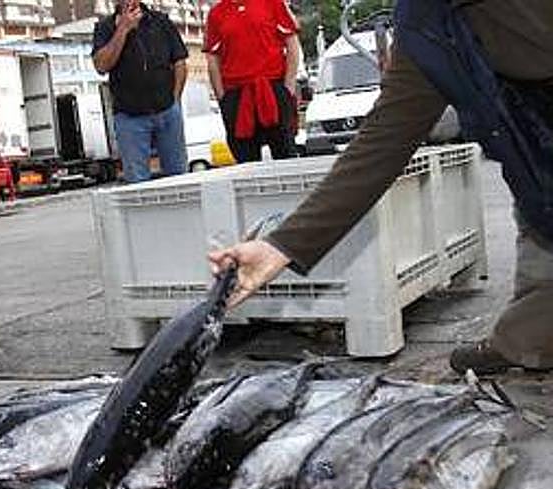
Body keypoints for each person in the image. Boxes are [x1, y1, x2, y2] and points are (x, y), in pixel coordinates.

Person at [212, 1, 553, 376]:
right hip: (533, 149)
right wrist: (280, 246)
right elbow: (383, 139)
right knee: (539, 222)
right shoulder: (425, 22)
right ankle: (527, 341)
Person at [93, 0, 189, 183]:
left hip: (167, 110)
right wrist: (122, 29)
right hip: (130, 117)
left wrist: (175, 100)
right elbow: (101, 65)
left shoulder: (160, 21)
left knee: (179, 176)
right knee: (137, 181)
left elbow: (180, 62)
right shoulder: (104, 27)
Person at [204, 0, 301, 163]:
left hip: (272, 88)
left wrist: (288, 86)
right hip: (237, 94)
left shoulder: (272, 3)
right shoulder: (216, 14)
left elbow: (292, 42)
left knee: (285, 153)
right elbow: (213, 57)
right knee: (244, 157)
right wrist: (222, 97)